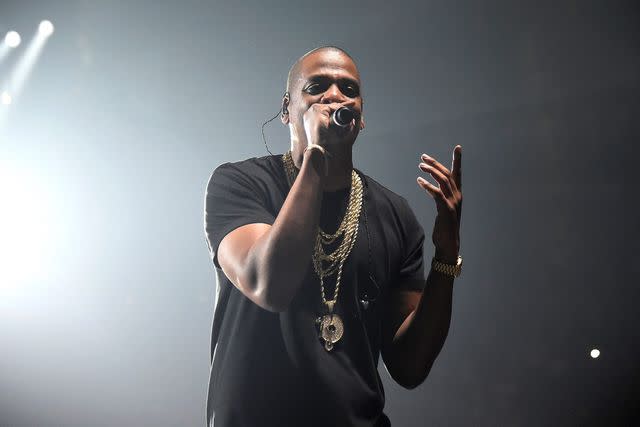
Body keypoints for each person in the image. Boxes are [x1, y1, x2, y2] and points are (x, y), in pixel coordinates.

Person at [203, 45, 463, 427]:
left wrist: (447, 253)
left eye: (349, 89)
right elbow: (269, 285)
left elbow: (410, 367)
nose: (334, 96)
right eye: (317, 86)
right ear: (286, 110)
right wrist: (316, 155)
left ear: (361, 117)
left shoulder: (397, 215)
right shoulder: (240, 184)